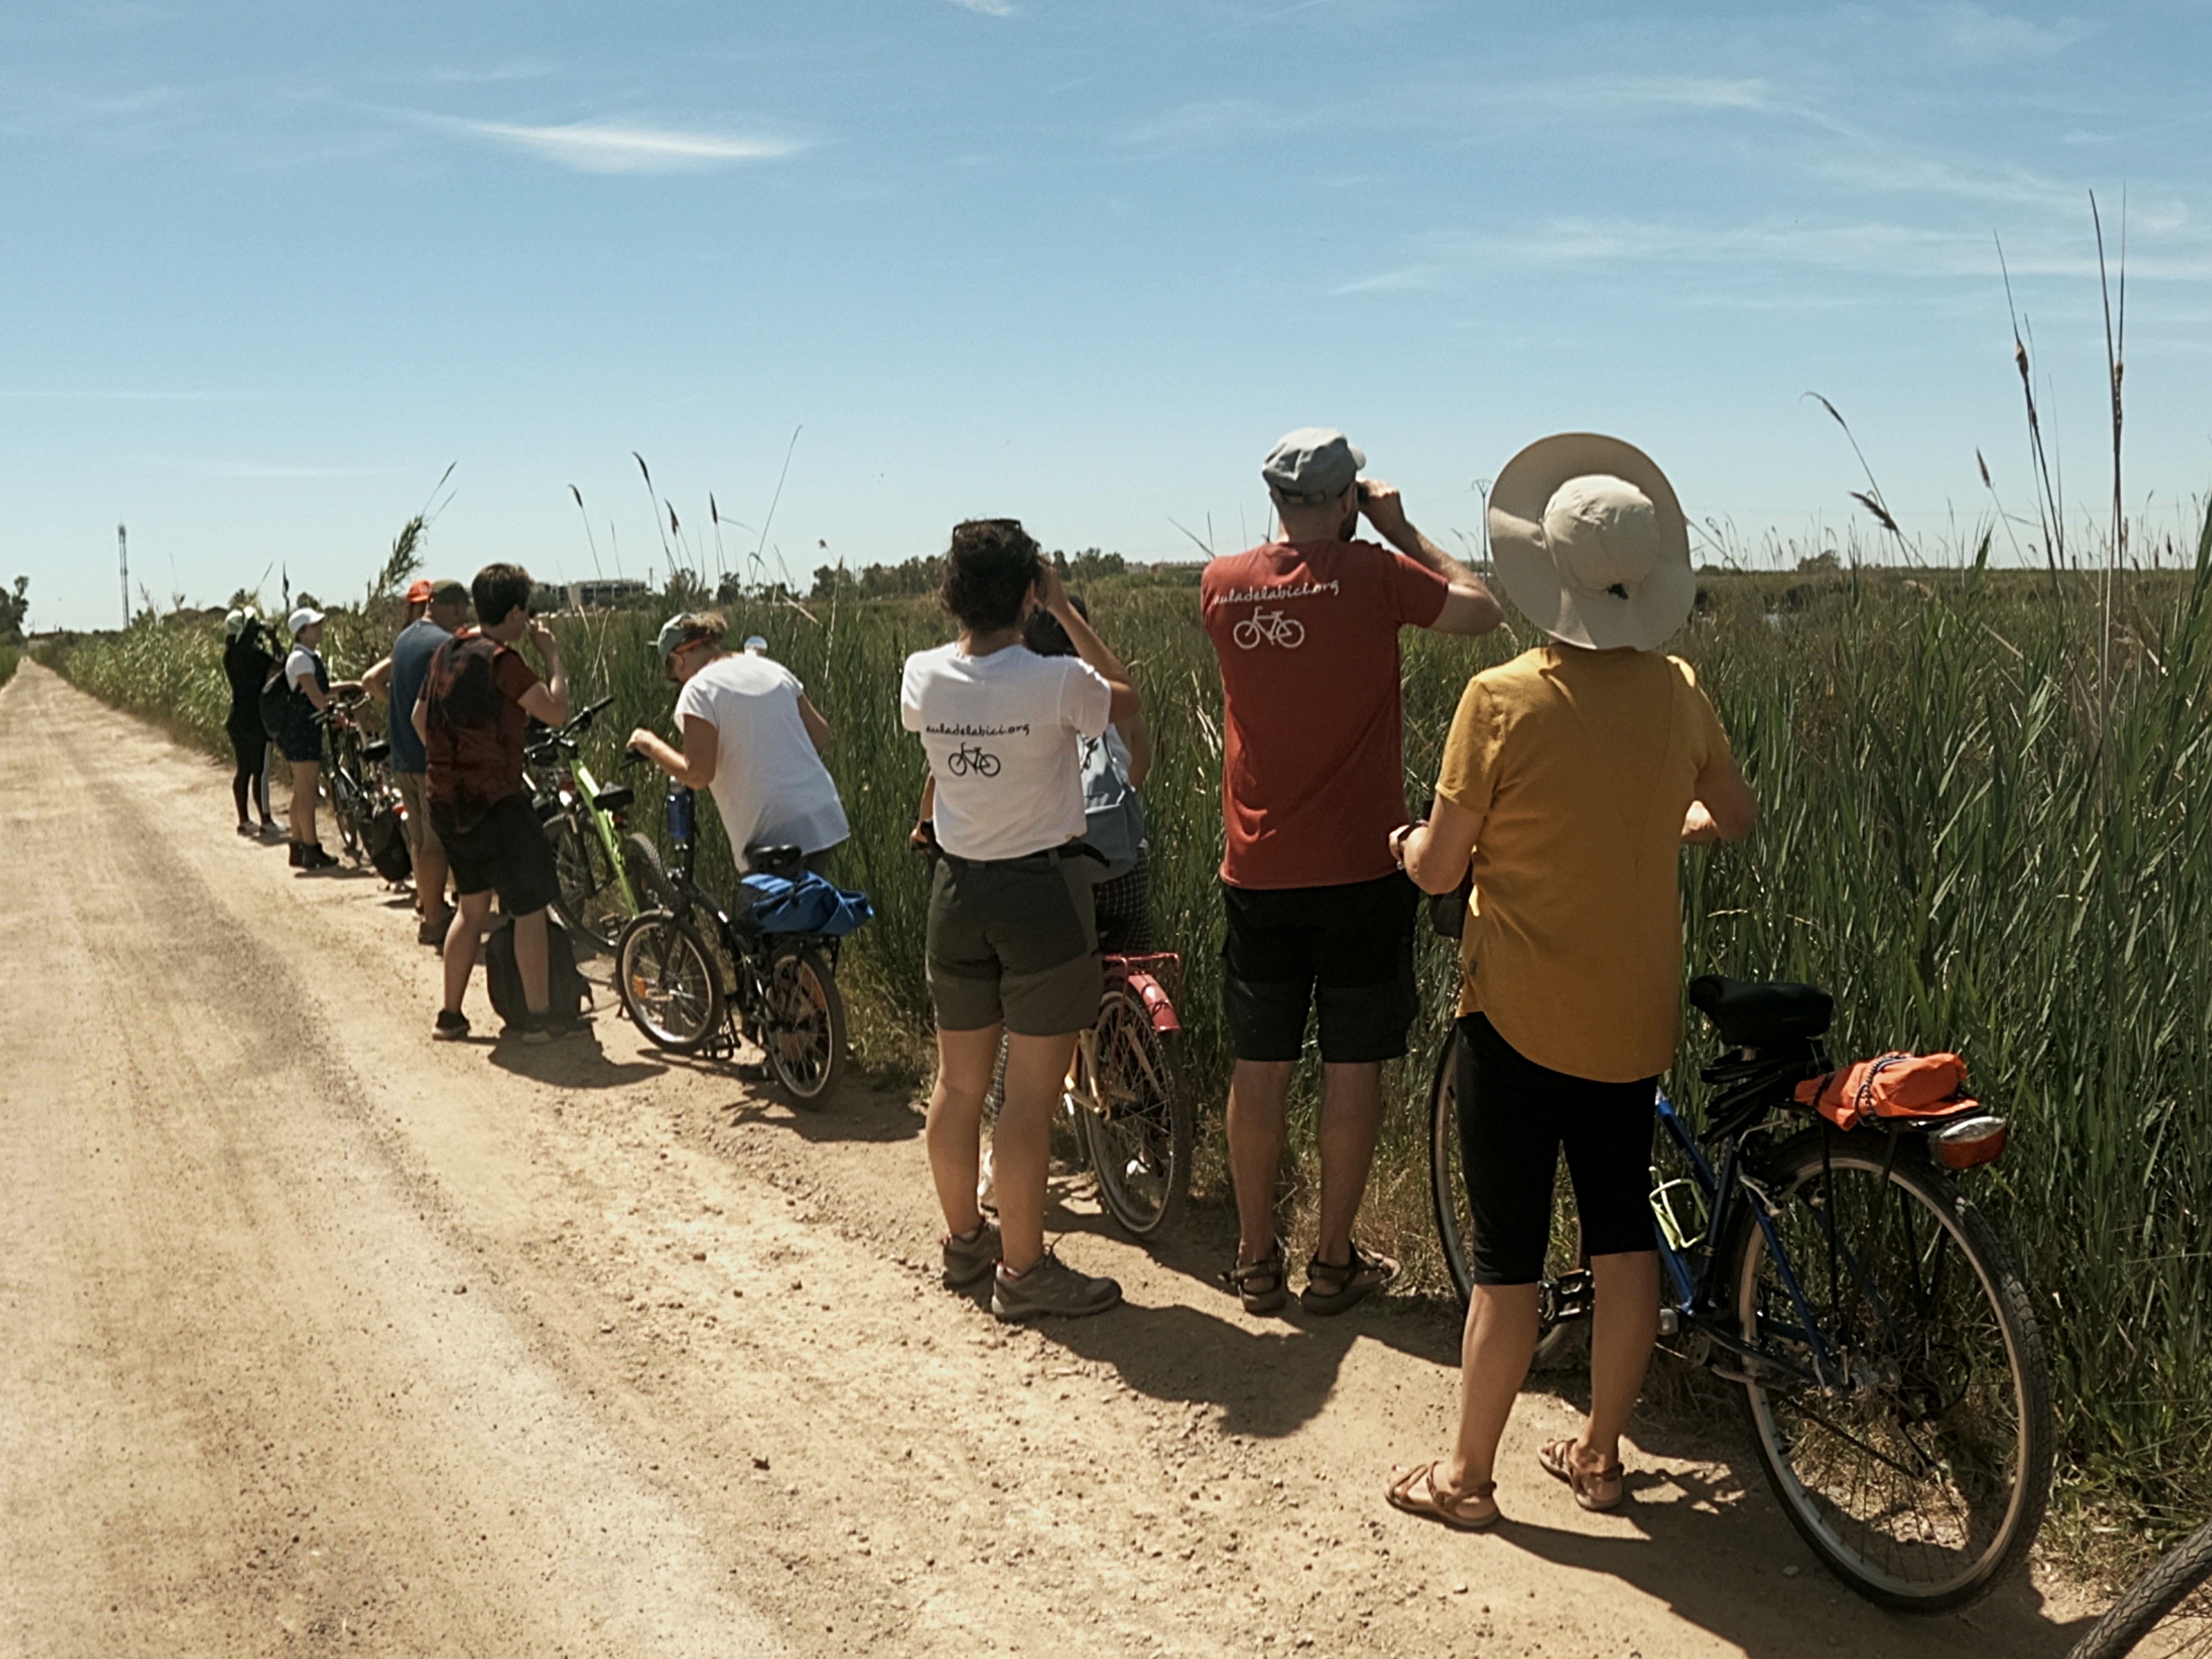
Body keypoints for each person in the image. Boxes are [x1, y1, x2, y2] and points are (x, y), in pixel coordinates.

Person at [1384, 434, 1756, 1530]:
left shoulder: (1499, 700)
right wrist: (1662, 826)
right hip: (1630, 1017)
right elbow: (1731, 817)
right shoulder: (1678, 690)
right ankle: (1598, 1457)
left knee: (1505, 1259)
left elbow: (1443, 868)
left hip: (1513, 1020)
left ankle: (1465, 1478)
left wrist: (1406, 842)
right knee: (1619, 1234)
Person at [1202, 427, 1502, 1317]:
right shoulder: (1374, 575)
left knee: (1258, 1069)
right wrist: (1401, 531)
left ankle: (1256, 1261)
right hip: (1365, 867)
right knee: (1351, 1066)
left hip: (1258, 869)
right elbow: (1481, 610)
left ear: (1273, 500)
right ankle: (1332, 1263)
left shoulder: (1221, 586)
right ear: (1346, 499)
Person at [901, 519, 1139, 1322]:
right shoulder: (1058, 679)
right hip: (1041, 897)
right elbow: (1126, 700)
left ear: (951, 594)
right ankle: (1025, 1271)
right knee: (1029, 1100)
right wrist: (1068, 612)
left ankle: (966, 1239)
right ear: (1029, 592)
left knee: (959, 1085)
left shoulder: (921, 676)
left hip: (956, 894)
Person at [411, 563, 573, 1043]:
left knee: (471, 907)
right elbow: (556, 710)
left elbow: (420, 718)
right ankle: (538, 1020)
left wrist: (454, 758)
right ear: (518, 611)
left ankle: (451, 1016)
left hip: (448, 803)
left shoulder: (447, 651)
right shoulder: (503, 661)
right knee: (528, 909)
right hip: (498, 804)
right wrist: (553, 658)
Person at [627, 614, 849, 875]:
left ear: (678, 658)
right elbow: (822, 736)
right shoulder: (773, 669)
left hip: (772, 831)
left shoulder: (699, 690)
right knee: (810, 910)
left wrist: (648, 743)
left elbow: (698, 775)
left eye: (673, 673)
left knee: (767, 912)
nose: (678, 681)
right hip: (822, 815)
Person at [1019, 596, 1154, 952]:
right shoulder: (1110, 695)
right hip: (1123, 863)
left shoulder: (1027, 698)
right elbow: (1141, 762)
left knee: (1062, 978)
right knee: (1132, 966)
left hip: (1059, 870)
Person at [364, 579, 471, 945]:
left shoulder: (405, 640)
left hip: (403, 758)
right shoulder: (442, 645)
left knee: (419, 839)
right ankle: (436, 921)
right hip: (430, 757)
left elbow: (383, 685)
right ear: (455, 609)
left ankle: (429, 907)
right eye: (462, 613)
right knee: (436, 842)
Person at [279, 607, 361, 870]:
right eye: (314, 626)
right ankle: (312, 848)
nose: (320, 630)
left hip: (300, 730)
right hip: (302, 731)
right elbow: (317, 698)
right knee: (307, 791)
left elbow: (321, 691)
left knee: (300, 790)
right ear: (301, 633)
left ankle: (298, 844)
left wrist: (349, 686)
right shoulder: (302, 660)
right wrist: (339, 717)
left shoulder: (306, 657)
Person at [221, 608, 280, 838]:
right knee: (261, 771)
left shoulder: (230, 655)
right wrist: (273, 636)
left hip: (237, 719)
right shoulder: (256, 657)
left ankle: (244, 820)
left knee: (243, 770)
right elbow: (280, 663)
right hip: (258, 720)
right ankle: (266, 820)